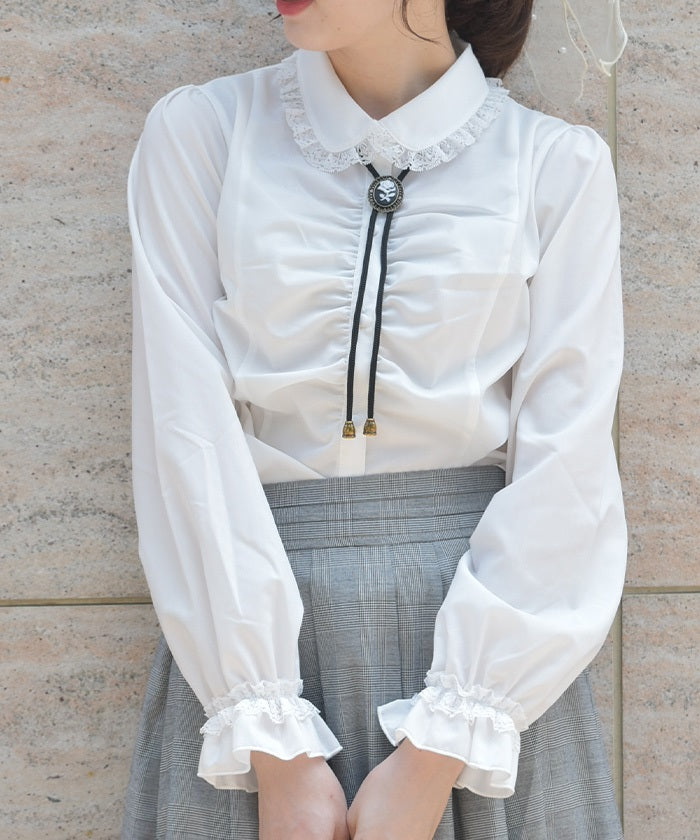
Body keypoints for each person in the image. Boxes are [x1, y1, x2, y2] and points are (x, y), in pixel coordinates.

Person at [122, 1, 627, 838]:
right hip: (248, 665)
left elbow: (568, 472)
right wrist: (272, 744)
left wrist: (441, 748)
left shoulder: (554, 165)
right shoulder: (204, 134)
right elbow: (182, 432)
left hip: (487, 678)